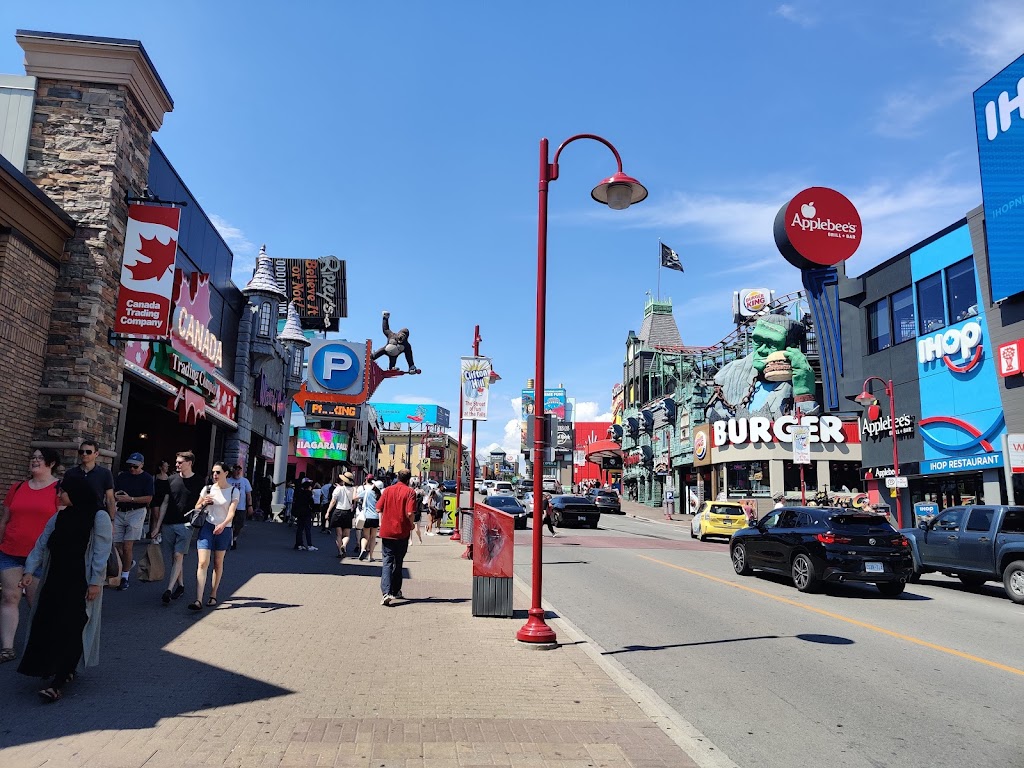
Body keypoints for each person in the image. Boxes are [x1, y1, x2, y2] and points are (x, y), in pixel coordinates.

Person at [17, 473, 112, 703]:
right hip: (55, 580)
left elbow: (101, 551)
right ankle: (53, 667)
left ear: (76, 492)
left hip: (80, 582)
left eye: (63, 491)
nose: (59, 495)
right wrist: (29, 570)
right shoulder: (60, 516)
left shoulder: (98, 516)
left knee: (73, 627)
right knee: (49, 624)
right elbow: (42, 543)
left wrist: (95, 582)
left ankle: (59, 681)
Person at [0, 448, 62, 664]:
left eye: (40, 458)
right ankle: (7, 648)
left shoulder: (59, 489)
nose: (35, 461)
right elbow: (4, 520)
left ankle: (41, 645)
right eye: (33, 458)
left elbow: (62, 524)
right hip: (10, 551)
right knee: (9, 597)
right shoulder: (17, 487)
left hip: (40, 556)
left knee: (35, 601)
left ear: (51, 463)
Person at [151, 451, 205, 605]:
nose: (176, 465)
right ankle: (180, 586)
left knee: (178, 555)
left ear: (189, 463)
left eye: (180, 462)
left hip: (186, 524)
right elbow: (165, 503)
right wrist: (157, 526)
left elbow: (201, 503)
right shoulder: (171, 479)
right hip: (168, 523)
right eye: (176, 462)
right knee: (174, 557)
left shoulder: (199, 481)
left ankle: (168, 590)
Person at [187, 462, 239, 611]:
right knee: (203, 562)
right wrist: (204, 502)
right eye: (213, 472)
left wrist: (223, 525)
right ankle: (198, 599)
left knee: (217, 563)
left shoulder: (233, 491)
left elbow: (231, 512)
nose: (215, 475)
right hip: (207, 527)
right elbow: (196, 507)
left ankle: (213, 594)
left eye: (218, 472)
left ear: (226, 473)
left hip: (224, 529)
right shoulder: (208, 489)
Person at [112, 452, 154, 591]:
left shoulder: (147, 478)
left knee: (127, 546)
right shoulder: (122, 476)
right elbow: (113, 491)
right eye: (130, 466)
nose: (132, 469)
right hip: (120, 511)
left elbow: (148, 498)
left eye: (135, 466)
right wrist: (116, 496)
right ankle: (128, 563)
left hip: (136, 512)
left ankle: (125, 577)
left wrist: (130, 499)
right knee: (116, 544)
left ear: (142, 465)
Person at [378, 470, 416, 605]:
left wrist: (381, 522)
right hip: (402, 532)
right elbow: (410, 512)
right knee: (398, 562)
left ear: (397, 477)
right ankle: (395, 590)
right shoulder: (410, 492)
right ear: (408, 479)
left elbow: (378, 508)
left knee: (387, 561)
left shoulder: (387, 490)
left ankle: (386, 592)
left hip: (387, 531)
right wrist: (411, 525)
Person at [63, 439, 115, 523]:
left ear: (96, 454)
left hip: (96, 515)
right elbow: (63, 495)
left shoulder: (105, 473)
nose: (84, 454)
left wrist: (112, 520)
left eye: (88, 452)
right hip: (74, 515)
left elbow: (110, 499)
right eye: (81, 452)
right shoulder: (71, 473)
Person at [325, 472, 356, 559]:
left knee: (339, 534)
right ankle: (344, 545)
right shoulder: (353, 490)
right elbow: (354, 501)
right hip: (348, 513)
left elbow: (333, 501)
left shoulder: (338, 489)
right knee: (347, 534)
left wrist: (328, 512)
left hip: (338, 512)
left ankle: (340, 552)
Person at [227, 464, 252, 550]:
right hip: (229, 507)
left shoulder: (244, 481)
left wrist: (250, 506)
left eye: (239, 470)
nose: (237, 472)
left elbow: (248, 494)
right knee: (229, 524)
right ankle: (230, 541)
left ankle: (234, 537)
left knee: (239, 524)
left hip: (241, 507)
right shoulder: (228, 480)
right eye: (236, 470)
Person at [358, 480, 382, 561]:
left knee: (365, 536)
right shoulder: (380, 495)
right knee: (373, 537)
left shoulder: (367, 492)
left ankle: (363, 549)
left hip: (367, 516)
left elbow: (357, 497)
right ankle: (370, 556)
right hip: (376, 517)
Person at [292, 478, 316, 551]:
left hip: (300, 512)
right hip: (306, 512)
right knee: (307, 529)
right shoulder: (309, 494)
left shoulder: (299, 493)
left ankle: (299, 544)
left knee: (300, 529)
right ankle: (309, 545)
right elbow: (312, 504)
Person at [149, 460, 170, 538]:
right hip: (155, 498)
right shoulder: (154, 477)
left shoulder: (169, 477)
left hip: (165, 499)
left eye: (167, 466)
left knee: (162, 517)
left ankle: (160, 533)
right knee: (156, 517)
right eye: (165, 466)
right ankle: (154, 535)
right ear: (160, 467)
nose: (166, 468)